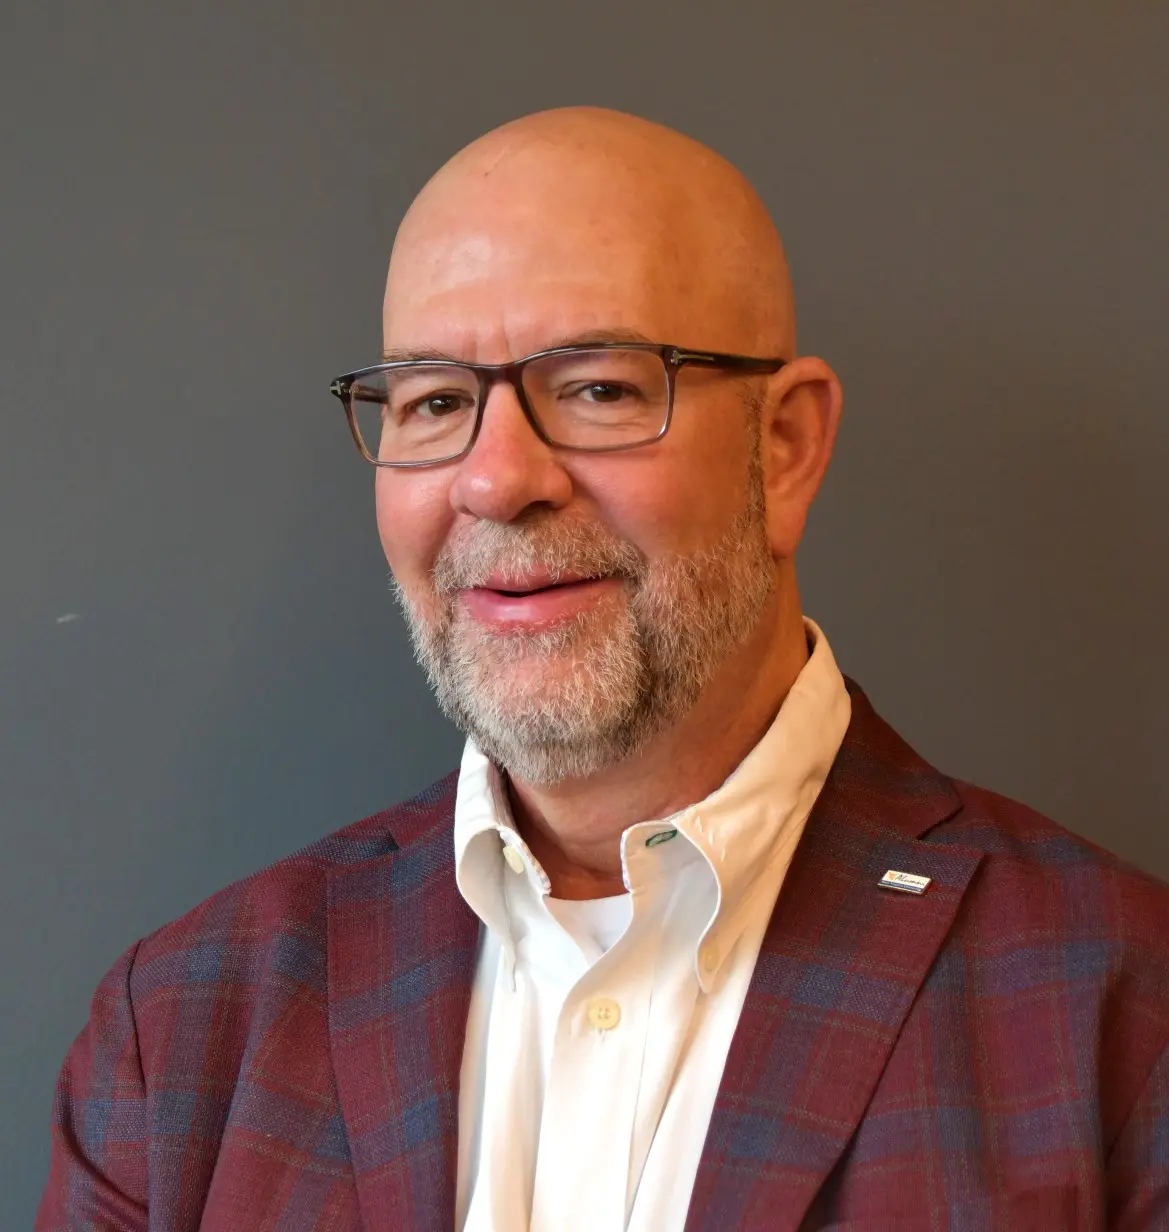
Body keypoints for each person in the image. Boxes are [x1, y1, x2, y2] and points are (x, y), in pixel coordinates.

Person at [38, 107, 1169, 1232]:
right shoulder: (181, 1035)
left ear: (783, 449)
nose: (494, 479)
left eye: (596, 388)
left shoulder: (1119, 1014)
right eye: (434, 401)